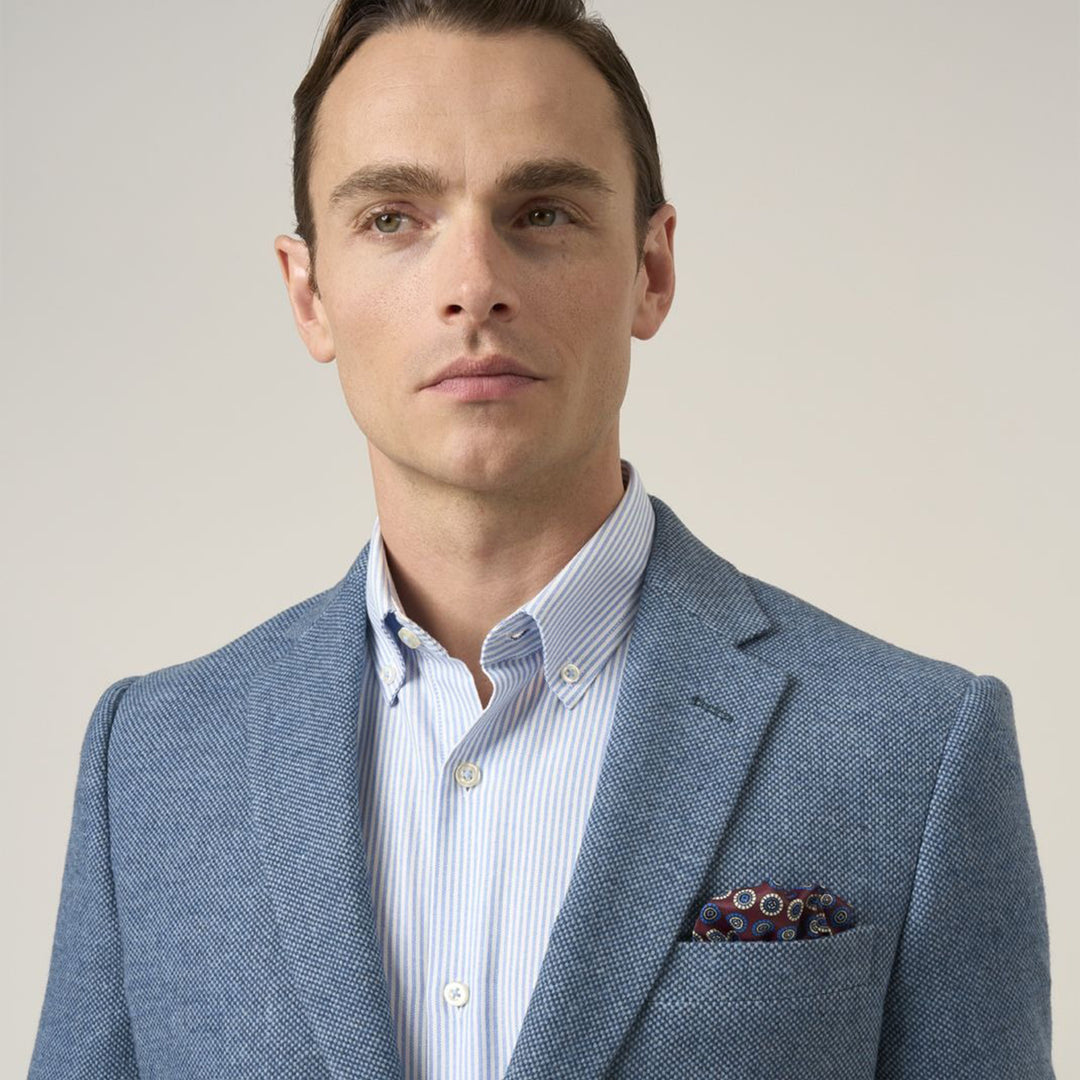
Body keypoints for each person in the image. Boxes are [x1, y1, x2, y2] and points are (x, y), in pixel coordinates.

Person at [30, 0, 1054, 1077]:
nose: (474, 285)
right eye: (392, 217)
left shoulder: (916, 747)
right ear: (308, 292)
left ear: (652, 270)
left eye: (545, 212)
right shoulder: (149, 763)